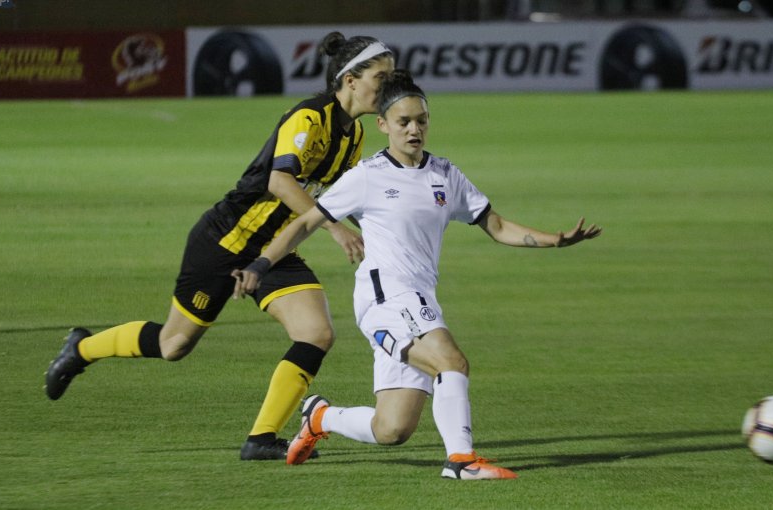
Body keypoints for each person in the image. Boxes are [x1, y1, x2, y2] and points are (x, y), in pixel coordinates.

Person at [231, 70, 602, 479]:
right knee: (451, 361)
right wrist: (261, 264)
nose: (414, 129)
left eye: (421, 120)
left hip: (419, 298)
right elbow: (304, 224)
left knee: (392, 428)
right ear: (383, 125)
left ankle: (321, 417)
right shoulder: (367, 176)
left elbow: (495, 226)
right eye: (404, 122)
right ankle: (461, 462)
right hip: (386, 298)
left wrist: (555, 240)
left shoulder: (445, 175)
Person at [43, 32, 395, 461]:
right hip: (226, 239)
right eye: (382, 76)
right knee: (175, 345)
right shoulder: (310, 117)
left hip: (273, 249)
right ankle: (80, 349)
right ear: (351, 79)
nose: (389, 86)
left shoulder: (354, 134)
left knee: (316, 333)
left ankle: (261, 438)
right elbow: (279, 181)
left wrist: (383, 225)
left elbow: (342, 192)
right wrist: (336, 229)